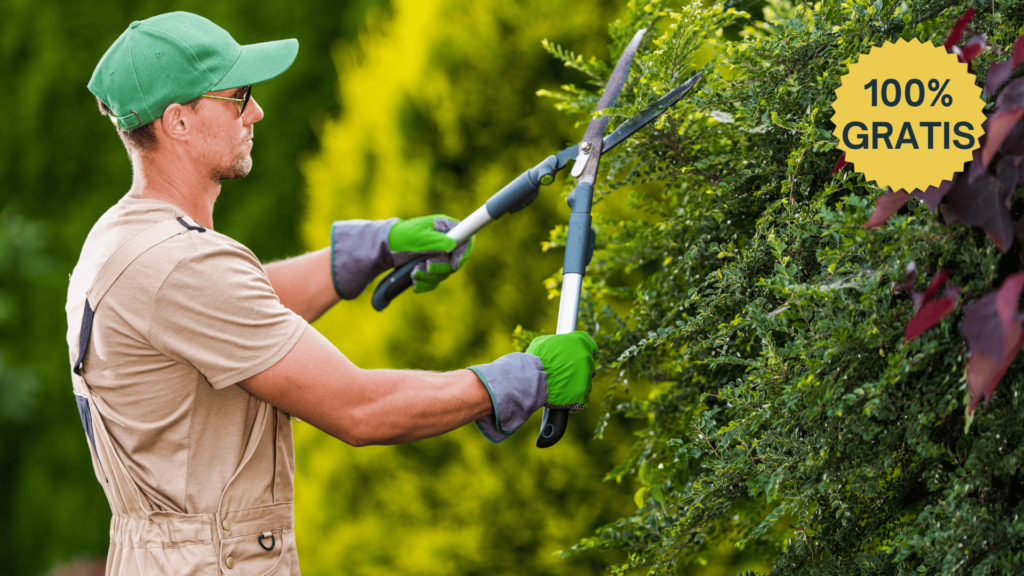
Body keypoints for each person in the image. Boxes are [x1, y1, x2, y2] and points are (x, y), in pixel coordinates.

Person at [67, 12, 597, 575]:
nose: (257, 112)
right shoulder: (181, 265)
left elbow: (240, 310)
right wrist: (521, 380)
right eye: (238, 97)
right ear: (178, 121)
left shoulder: (124, 240)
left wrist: (371, 249)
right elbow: (361, 409)